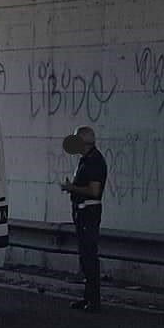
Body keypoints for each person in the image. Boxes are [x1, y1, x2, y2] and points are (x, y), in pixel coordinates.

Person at [59, 126, 106, 312]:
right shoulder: (86, 160)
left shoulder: (95, 161)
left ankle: (93, 300)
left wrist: (71, 188)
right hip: (82, 212)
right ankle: (87, 298)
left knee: (89, 255)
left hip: (89, 212)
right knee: (85, 256)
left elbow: (94, 191)